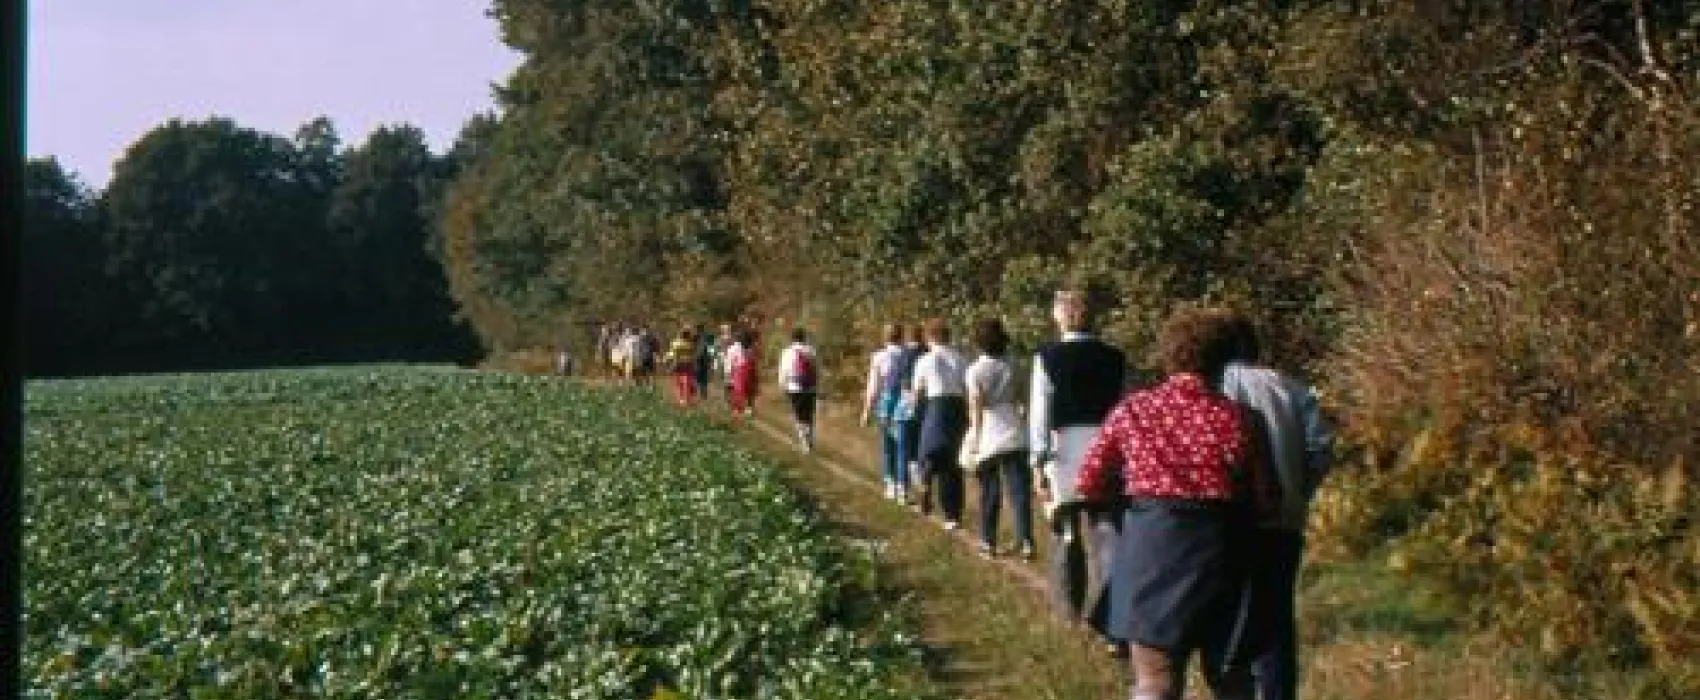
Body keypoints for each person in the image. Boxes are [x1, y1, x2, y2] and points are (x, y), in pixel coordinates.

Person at [1075, 307, 1280, 700]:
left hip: (1151, 550)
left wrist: (1125, 506)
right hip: (1223, 556)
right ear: (1225, 360)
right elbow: (1268, 499)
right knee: (1232, 681)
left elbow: (1089, 482)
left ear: (1168, 355)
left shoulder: (1132, 411)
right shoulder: (1243, 419)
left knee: (1156, 681)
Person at [1218, 313, 1335, 700]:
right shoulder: (1291, 388)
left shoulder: (1214, 388)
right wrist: (1300, 488)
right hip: (1283, 519)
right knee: (1276, 621)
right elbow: (1320, 448)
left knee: (1230, 618)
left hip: (1225, 520)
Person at [1028, 288, 1127, 636]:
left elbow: (1040, 414)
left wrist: (1037, 463)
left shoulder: (1047, 357)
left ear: (1060, 316)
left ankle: (1068, 613)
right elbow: (1123, 408)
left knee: (1066, 534)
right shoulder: (1115, 357)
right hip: (1106, 450)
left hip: (1063, 451)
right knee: (1108, 534)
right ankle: (1111, 615)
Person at [964, 317, 1034, 559]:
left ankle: (988, 541)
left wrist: (974, 437)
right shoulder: (1017, 365)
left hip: (989, 431)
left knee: (990, 491)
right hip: (1014, 428)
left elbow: (976, 407)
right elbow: (1024, 400)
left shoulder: (975, 371)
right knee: (1019, 491)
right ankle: (1026, 540)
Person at [910, 318, 970, 529]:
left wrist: (915, 413)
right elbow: (968, 389)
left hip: (935, 406)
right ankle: (952, 516)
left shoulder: (925, 360)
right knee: (953, 464)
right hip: (957, 408)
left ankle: (925, 483)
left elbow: (917, 392)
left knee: (927, 452)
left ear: (929, 337)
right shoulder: (961, 359)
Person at [861, 324, 911, 499]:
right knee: (903, 446)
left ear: (885, 337)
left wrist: (867, 410)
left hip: (887, 402)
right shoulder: (909, 354)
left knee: (888, 444)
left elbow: (873, 386)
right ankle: (903, 486)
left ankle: (890, 483)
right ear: (901, 336)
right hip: (906, 402)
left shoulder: (879, 357)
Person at [777, 328, 821, 452]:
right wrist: (818, 386)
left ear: (792, 339)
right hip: (810, 388)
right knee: (809, 416)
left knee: (798, 416)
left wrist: (782, 385)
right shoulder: (811, 350)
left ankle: (804, 442)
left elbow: (783, 371)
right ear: (804, 337)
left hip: (794, 387)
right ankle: (810, 439)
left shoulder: (787, 352)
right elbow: (818, 370)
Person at [726, 330, 759, 424]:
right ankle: (748, 409)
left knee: (739, 392)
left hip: (740, 371)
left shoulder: (733, 349)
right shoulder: (752, 348)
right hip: (751, 370)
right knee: (750, 391)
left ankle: (738, 412)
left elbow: (730, 363)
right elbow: (755, 360)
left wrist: (729, 374)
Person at [666, 328, 698, 407]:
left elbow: (672, 354)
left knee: (679, 382)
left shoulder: (676, 343)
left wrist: (670, 364)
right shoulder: (691, 344)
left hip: (679, 363)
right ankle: (687, 399)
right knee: (687, 382)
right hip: (688, 364)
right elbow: (693, 355)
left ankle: (682, 399)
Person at [693, 323, 715, 401]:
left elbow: (693, 349)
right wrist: (711, 359)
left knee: (698, 377)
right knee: (703, 378)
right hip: (704, 360)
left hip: (698, 360)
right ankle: (703, 394)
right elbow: (711, 349)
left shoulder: (695, 337)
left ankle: (700, 394)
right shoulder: (707, 337)